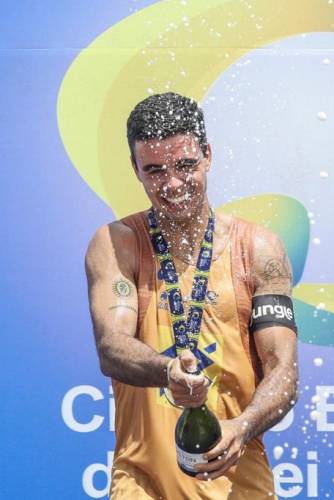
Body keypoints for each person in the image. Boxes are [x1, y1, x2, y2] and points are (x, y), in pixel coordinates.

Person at [85, 92, 298, 498]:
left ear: (208, 155)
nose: (173, 184)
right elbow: (111, 346)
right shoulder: (118, 243)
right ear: (136, 169)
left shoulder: (258, 249)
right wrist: (167, 372)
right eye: (155, 170)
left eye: (185, 166)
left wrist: (243, 426)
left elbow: (283, 371)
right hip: (142, 485)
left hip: (239, 485)